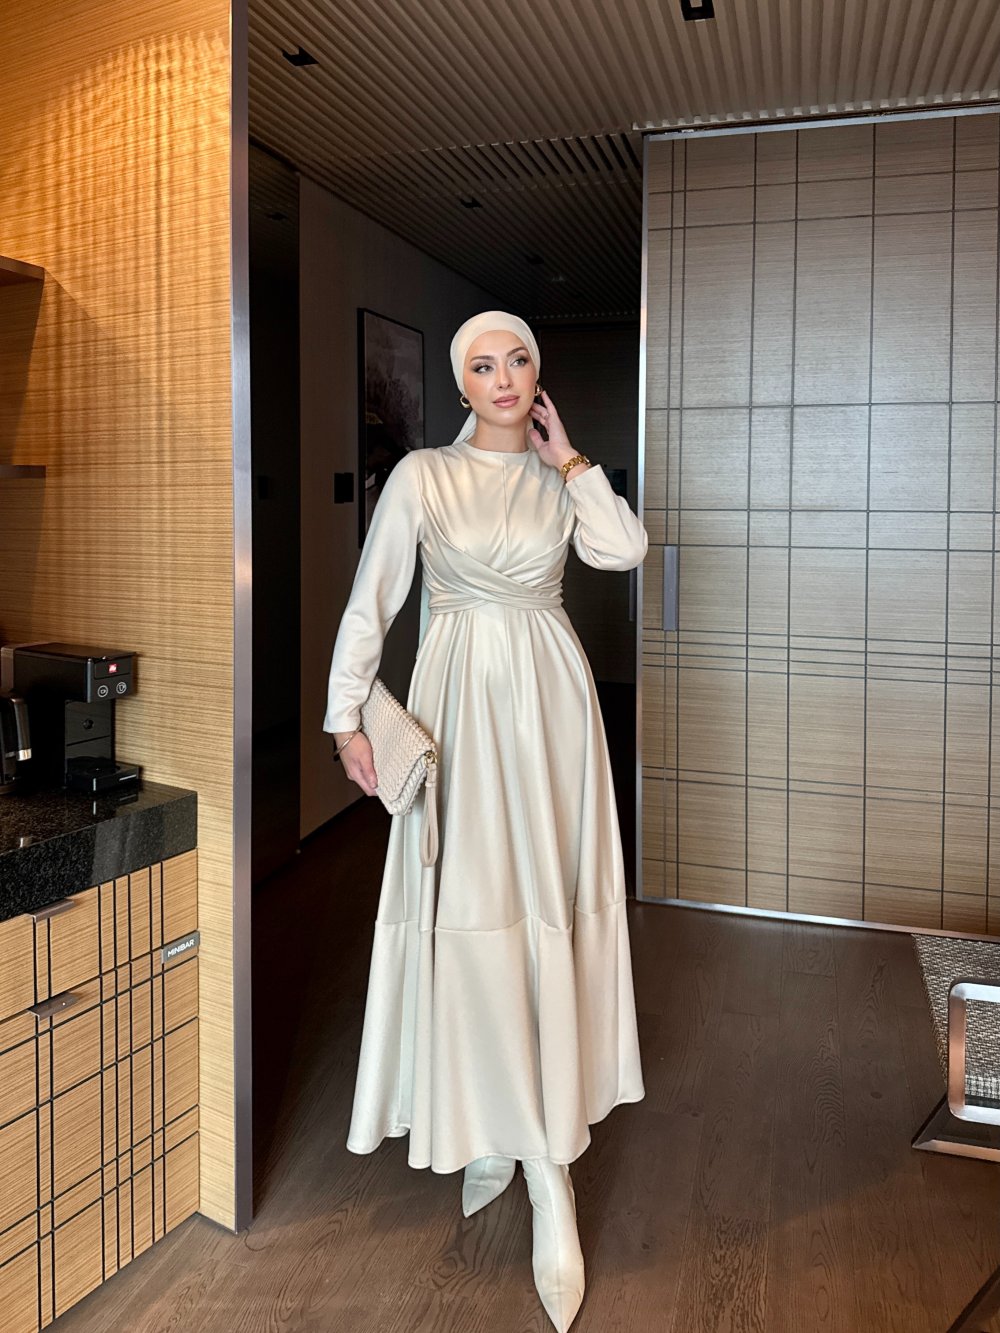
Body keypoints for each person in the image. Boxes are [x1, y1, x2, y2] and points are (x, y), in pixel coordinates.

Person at [324, 310, 647, 1332]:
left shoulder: (560, 479)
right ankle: (497, 1127)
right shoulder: (423, 475)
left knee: (544, 908)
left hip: (552, 710)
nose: (502, 377)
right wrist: (344, 718)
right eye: (480, 365)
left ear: (536, 377)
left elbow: (624, 548)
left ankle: (549, 1169)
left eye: (517, 361)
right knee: (471, 914)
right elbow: (372, 603)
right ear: (460, 384)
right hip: (459, 705)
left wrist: (572, 460)